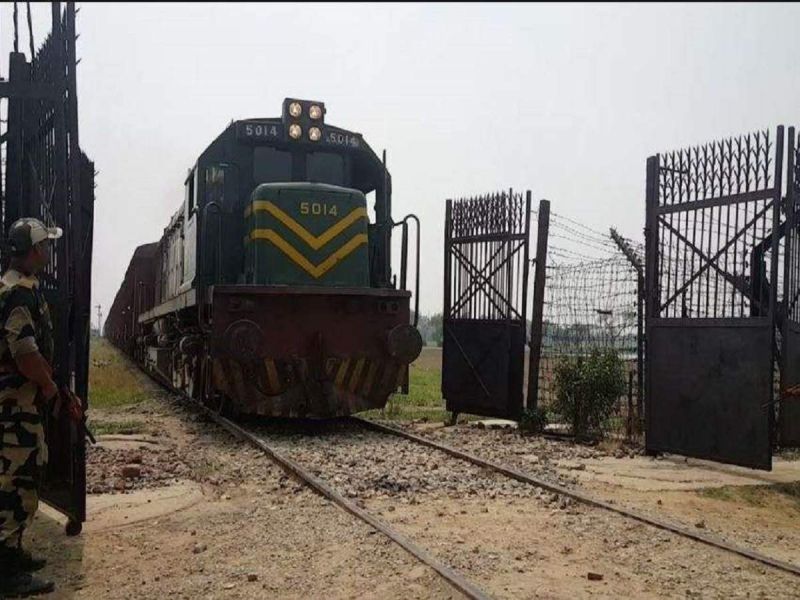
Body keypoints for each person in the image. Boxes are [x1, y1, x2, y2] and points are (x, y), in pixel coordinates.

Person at [0, 217, 63, 597]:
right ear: (36, 250)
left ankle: (13, 552)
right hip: (15, 402)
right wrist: (49, 385)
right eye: (47, 246)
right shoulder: (18, 293)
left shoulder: (15, 288)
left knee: (22, 474)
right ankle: (6, 573)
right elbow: (24, 352)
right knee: (14, 480)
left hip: (16, 400)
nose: (49, 252)